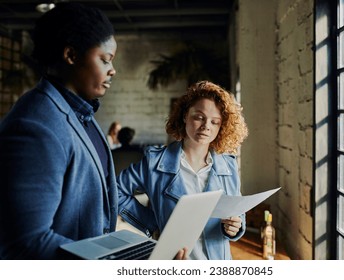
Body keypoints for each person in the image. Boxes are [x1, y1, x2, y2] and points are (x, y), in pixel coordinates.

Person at [0, 2, 186, 260]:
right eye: (105, 59)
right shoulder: (35, 126)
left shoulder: (82, 114)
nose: (113, 70)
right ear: (71, 55)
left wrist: (146, 246)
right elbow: (27, 242)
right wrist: (117, 265)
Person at [117, 80, 249, 260]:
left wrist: (235, 227)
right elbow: (115, 190)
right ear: (185, 116)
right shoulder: (154, 162)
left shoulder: (229, 164)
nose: (206, 126)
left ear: (222, 127)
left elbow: (237, 211)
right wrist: (152, 223)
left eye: (215, 122)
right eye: (199, 117)